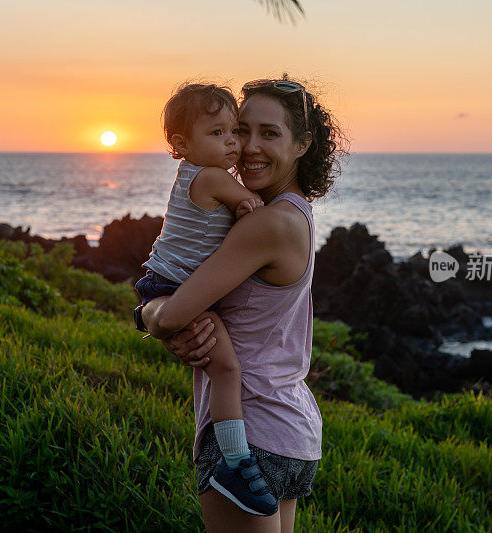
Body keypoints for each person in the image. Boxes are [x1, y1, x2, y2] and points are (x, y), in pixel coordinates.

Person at [142, 76, 344, 533]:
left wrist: (148, 314)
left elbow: (171, 315)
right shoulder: (296, 212)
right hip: (290, 429)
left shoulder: (263, 224)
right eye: (240, 129)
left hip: (246, 434)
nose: (247, 146)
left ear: (302, 144)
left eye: (269, 134)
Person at [133, 82, 275, 515]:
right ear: (181, 144)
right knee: (227, 369)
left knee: (221, 368)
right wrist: (249, 202)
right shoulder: (212, 178)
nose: (232, 141)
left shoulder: (192, 174)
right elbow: (256, 208)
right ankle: (235, 461)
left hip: (160, 282)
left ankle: (231, 458)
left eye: (233, 130)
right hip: (175, 290)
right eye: (217, 133)